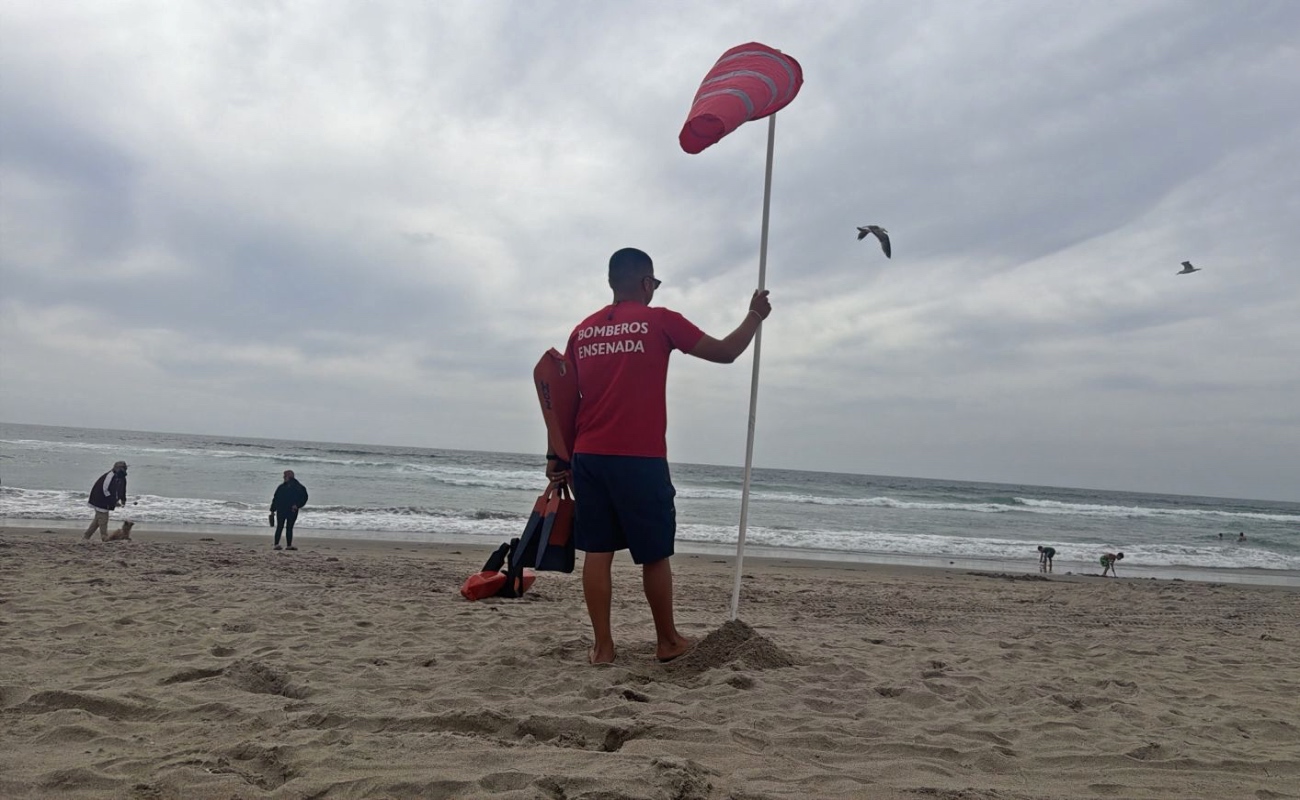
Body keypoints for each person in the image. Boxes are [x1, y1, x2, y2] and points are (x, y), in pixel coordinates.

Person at [550, 247, 771, 666]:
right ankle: (667, 640)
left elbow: (565, 401)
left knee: (597, 551)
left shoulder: (582, 332)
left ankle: (602, 648)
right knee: (654, 553)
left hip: (589, 456)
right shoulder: (660, 321)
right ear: (645, 282)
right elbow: (726, 352)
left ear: (613, 282)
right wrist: (755, 315)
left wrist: (558, 457)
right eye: (654, 283)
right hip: (640, 456)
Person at [82, 461, 128, 541]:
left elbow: (122, 489)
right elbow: (105, 489)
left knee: (97, 520)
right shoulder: (109, 476)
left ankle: (86, 536)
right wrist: (113, 501)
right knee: (103, 519)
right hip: (100, 499)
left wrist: (123, 499)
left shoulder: (122, 477)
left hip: (107, 500)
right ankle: (104, 537)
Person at [269, 470, 309, 551]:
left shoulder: (298, 487)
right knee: (286, 527)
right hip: (286, 510)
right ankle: (284, 545)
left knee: (283, 527)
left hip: (289, 510)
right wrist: (272, 509)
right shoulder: (295, 487)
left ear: (289, 476)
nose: (283, 477)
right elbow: (276, 498)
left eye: (285, 476)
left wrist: (297, 505)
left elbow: (304, 498)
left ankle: (281, 545)